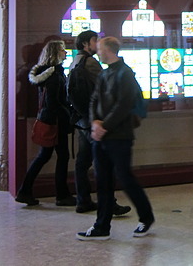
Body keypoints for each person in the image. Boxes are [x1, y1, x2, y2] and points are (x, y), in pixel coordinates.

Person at [77, 36, 154, 241]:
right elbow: (94, 99)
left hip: (119, 136)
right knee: (102, 182)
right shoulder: (105, 73)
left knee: (126, 179)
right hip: (101, 136)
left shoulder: (125, 73)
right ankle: (101, 227)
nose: (97, 52)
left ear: (110, 50)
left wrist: (105, 126)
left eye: (100, 49)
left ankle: (146, 217)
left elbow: (124, 104)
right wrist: (95, 123)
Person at [68, 30, 130, 217]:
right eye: (95, 40)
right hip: (94, 120)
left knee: (82, 162)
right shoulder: (91, 62)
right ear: (86, 44)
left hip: (81, 120)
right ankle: (109, 204)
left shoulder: (75, 60)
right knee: (104, 165)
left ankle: (83, 200)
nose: (98, 44)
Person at [15, 40, 76, 206]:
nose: (65, 53)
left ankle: (25, 191)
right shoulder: (54, 75)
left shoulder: (44, 74)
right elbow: (54, 102)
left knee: (44, 156)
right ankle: (61, 195)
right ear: (56, 53)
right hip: (57, 122)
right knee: (60, 156)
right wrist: (68, 114)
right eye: (63, 50)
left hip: (47, 120)